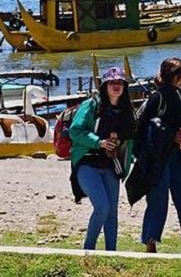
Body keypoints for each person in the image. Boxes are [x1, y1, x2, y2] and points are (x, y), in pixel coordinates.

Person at [132, 58, 181, 255]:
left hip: (172, 155)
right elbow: (146, 128)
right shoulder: (161, 97)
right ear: (177, 76)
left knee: (168, 199)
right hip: (162, 157)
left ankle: (155, 246)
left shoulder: (175, 94)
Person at [69, 66, 135, 251]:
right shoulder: (91, 105)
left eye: (120, 82)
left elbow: (131, 139)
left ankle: (111, 253)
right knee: (102, 207)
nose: (116, 85)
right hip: (87, 163)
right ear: (105, 85)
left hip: (112, 165)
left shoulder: (126, 110)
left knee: (112, 213)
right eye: (112, 82)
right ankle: (88, 250)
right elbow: (76, 130)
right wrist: (98, 142)